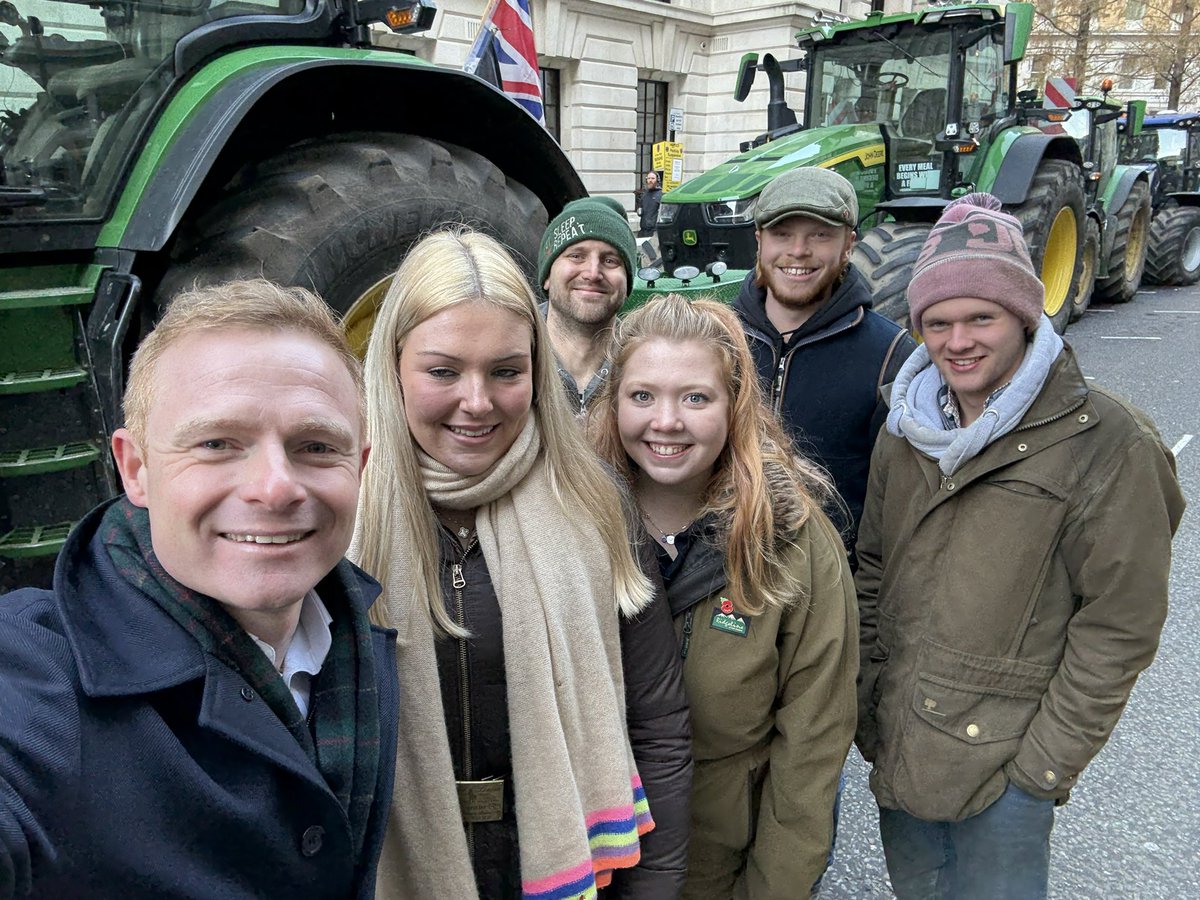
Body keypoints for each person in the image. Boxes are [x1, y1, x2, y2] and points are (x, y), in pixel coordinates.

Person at [0, 280, 397, 898]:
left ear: (360, 467)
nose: (275, 487)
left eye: (316, 447)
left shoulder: (363, 647)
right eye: (216, 444)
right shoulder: (38, 673)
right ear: (136, 468)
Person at [855, 193, 1186, 899]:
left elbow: (1119, 625)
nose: (958, 341)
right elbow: (874, 571)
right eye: (937, 322)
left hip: (1005, 774)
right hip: (901, 744)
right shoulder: (906, 431)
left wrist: (1040, 769)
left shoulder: (1109, 442)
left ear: (1025, 317)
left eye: (982, 317)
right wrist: (870, 702)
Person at [351, 228, 690, 899]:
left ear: (536, 371)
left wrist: (652, 890)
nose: (477, 401)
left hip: (567, 868)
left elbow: (657, 722)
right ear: (393, 366)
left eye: (506, 371)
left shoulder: (593, 499)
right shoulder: (337, 512)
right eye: (443, 371)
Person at [589, 293, 858, 899]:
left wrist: (774, 887)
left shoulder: (791, 539)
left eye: (696, 398)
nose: (666, 421)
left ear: (734, 406)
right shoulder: (573, 521)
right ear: (613, 402)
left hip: (719, 867)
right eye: (642, 396)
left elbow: (814, 742)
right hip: (592, 865)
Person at [733, 166, 916, 558]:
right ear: (760, 241)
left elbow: (898, 501)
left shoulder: (891, 355)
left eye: (820, 235)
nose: (799, 250)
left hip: (832, 576)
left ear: (848, 244)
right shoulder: (716, 339)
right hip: (721, 571)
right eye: (783, 233)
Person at [538, 195, 638, 415]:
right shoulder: (513, 354)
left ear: (627, 283)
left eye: (610, 260)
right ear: (547, 276)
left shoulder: (644, 363)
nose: (593, 273)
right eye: (576, 256)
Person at [637, 171, 662, 238]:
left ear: (657, 180)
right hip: (643, 231)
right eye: (648, 178)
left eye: (653, 178)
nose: (650, 180)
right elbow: (640, 208)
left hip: (654, 232)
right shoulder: (644, 194)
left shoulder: (661, 195)